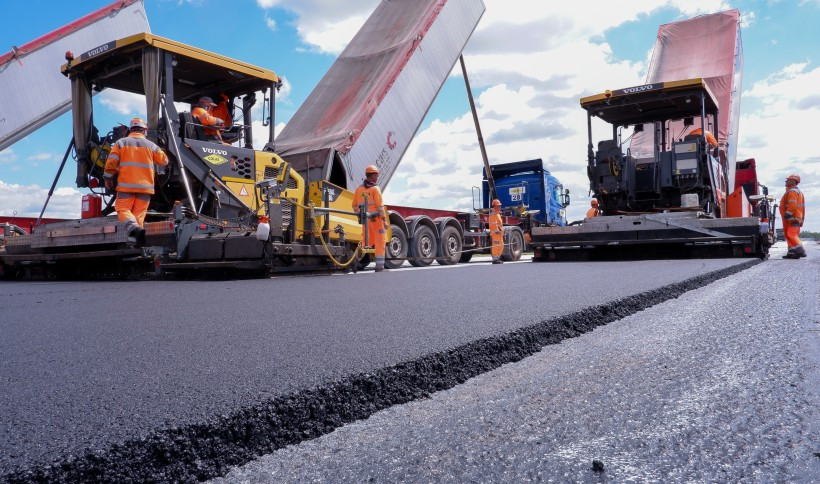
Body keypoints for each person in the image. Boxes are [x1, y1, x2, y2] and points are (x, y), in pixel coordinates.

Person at [103, 117, 168, 245]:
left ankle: (134, 229)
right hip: (145, 187)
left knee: (122, 209)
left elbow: (111, 163)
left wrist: (108, 178)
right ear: (145, 130)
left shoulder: (121, 143)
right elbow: (165, 161)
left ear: (130, 129)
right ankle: (136, 240)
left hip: (126, 186)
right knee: (139, 214)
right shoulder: (152, 146)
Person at [353, 165, 388, 272]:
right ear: (372, 176)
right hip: (376, 220)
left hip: (366, 221)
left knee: (366, 243)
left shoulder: (358, 189)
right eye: (376, 175)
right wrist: (384, 220)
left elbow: (354, 205)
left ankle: (359, 264)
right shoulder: (375, 189)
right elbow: (380, 207)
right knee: (380, 242)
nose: (377, 177)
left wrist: (360, 215)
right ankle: (379, 267)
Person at [780, 174, 806, 259]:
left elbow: (792, 204)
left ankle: (800, 250)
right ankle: (792, 252)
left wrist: (788, 213)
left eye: (788, 180)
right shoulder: (793, 191)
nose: (786, 181)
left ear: (793, 182)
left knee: (791, 234)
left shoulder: (792, 192)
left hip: (792, 217)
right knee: (788, 235)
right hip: (792, 218)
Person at [489, 198, 504, 264]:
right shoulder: (493, 214)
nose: (500, 207)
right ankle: (495, 259)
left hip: (499, 233)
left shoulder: (498, 214)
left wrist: (501, 231)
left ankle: (497, 258)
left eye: (500, 205)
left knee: (501, 245)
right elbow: (493, 224)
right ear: (495, 206)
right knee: (496, 246)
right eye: (498, 206)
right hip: (496, 233)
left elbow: (499, 224)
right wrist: (497, 231)